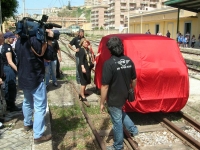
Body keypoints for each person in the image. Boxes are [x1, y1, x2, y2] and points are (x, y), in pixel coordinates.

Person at [15, 29, 53, 144]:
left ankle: (27, 123)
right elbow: (49, 56)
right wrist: (49, 40)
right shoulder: (36, 41)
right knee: (40, 107)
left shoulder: (19, 41)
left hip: (23, 77)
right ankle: (38, 135)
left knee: (27, 101)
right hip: (35, 78)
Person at [100, 37, 138, 150]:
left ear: (110, 49)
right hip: (124, 94)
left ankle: (118, 146)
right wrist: (132, 89)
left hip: (114, 97)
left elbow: (105, 86)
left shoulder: (109, 64)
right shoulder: (129, 60)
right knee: (119, 112)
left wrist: (102, 102)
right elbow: (134, 79)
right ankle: (133, 129)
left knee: (116, 122)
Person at [1, 32, 21, 112]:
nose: (14, 39)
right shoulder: (8, 48)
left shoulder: (5, 46)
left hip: (7, 68)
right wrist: (18, 70)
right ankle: (11, 106)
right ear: (8, 38)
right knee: (11, 87)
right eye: (12, 38)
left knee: (9, 87)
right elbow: (10, 61)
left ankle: (10, 105)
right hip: (9, 69)